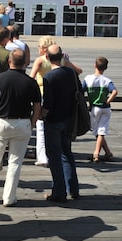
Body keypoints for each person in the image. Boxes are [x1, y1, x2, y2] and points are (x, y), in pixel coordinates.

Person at [0, 49, 41, 207]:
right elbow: (37, 107)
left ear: (9, 61)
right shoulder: (31, 82)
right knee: (15, 162)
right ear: (25, 63)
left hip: (0, 122)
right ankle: (9, 198)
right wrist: (32, 122)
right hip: (22, 123)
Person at [40, 45, 80, 203]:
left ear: (47, 57)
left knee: (54, 156)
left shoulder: (49, 77)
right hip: (69, 119)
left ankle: (59, 192)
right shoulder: (71, 73)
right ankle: (73, 189)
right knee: (67, 153)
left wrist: (40, 115)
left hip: (53, 121)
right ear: (62, 56)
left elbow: (48, 103)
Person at [83, 56, 118, 163]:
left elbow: (81, 90)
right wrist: (108, 100)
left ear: (95, 65)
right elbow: (115, 91)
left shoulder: (88, 79)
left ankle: (96, 154)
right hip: (106, 108)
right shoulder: (107, 81)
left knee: (98, 132)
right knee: (101, 131)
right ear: (105, 68)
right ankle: (108, 153)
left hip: (95, 108)